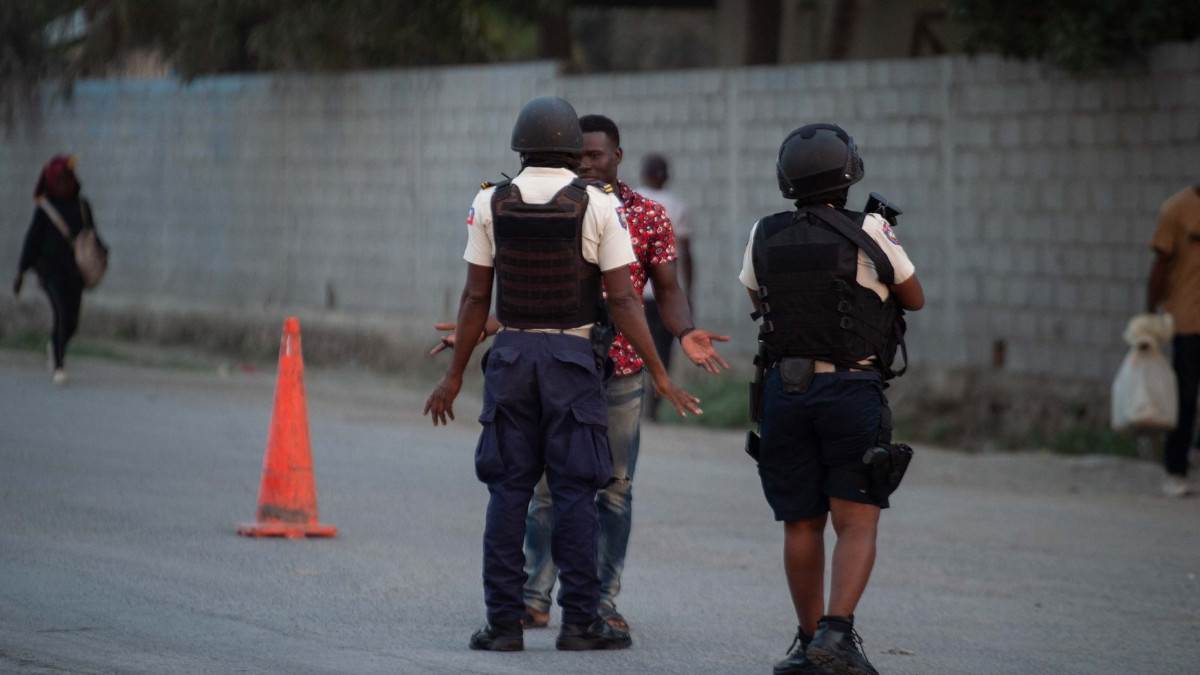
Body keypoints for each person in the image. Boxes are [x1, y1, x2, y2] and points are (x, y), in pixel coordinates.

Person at [422, 96, 703, 653]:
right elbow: (624, 300)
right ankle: (581, 623)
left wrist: (454, 376)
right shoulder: (598, 206)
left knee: (508, 492)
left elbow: (477, 295)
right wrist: (661, 373)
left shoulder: (490, 200)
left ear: (520, 147)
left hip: (511, 359)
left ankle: (503, 625)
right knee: (576, 494)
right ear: (574, 150)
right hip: (572, 362)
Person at [739, 124, 924, 675]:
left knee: (801, 522)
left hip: (785, 391)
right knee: (857, 519)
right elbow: (913, 297)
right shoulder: (871, 228)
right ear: (849, 174)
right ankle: (837, 637)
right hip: (849, 388)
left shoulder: (763, 232)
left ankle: (805, 641)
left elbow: (757, 294)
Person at [12, 155, 104, 385]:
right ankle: (59, 365)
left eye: (68, 177)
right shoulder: (45, 208)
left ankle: (55, 346)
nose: (65, 182)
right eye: (61, 178)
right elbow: (33, 239)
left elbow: (92, 235)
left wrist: (102, 255)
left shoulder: (82, 205)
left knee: (72, 321)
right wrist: (22, 271)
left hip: (75, 273)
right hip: (49, 271)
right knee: (61, 312)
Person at [1147, 184, 1200, 498]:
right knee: (1186, 396)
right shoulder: (1176, 209)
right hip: (1187, 321)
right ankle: (1175, 469)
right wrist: (1149, 313)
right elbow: (1160, 265)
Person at [638, 154, 693, 421]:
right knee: (663, 350)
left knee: (634, 345)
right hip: (667, 293)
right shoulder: (677, 206)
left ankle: (634, 398)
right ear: (666, 176)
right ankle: (653, 407)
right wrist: (688, 294)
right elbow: (686, 254)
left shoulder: (629, 201)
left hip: (633, 292)